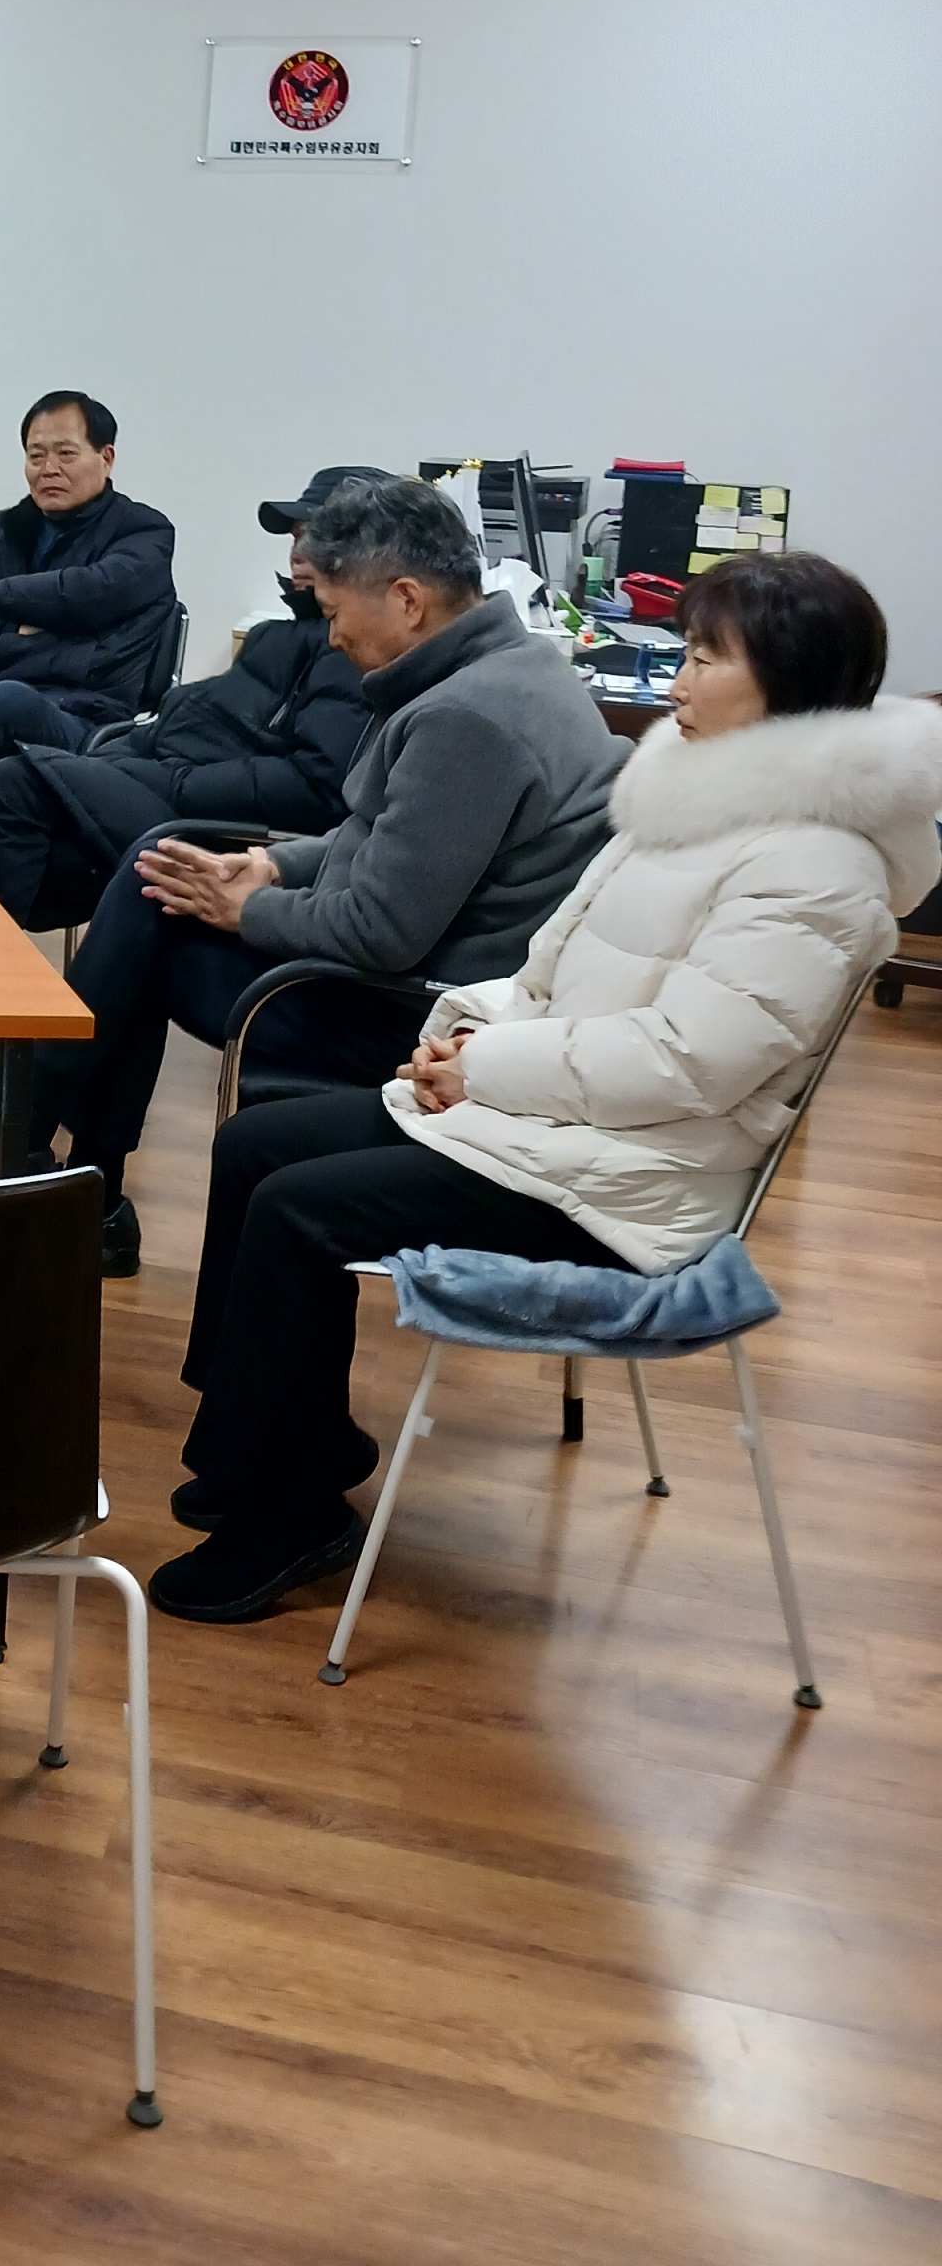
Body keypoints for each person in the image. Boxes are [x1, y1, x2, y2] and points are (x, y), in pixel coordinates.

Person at [151, 550, 942, 1626]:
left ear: (791, 684)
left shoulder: (817, 869)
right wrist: (463, 1038)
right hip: (563, 1125)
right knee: (257, 1144)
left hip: (638, 1184)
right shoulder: (691, 802)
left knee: (299, 1208)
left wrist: (487, 1069)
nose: (677, 680)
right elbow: (546, 974)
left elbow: (687, 1062)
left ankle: (283, 1516)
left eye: (706, 659)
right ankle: (287, 1448)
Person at [32, 473, 621, 1279]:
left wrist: (247, 910)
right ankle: (62, 1171)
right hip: (423, 977)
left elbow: (379, 933)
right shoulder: (510, 666)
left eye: (337, 611)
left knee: (152, 900)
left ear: (407, 600)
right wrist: (269, 863)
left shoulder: (463, 719)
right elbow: (374, 832)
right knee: (163, 872)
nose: (332, 636)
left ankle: (31, 1143)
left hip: (411, 1012)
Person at [0, 464, 383, 932]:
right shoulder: (273, 634)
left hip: (207, 825)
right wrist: (124, 755)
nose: (299, 551)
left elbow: (315, 789)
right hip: (153, 773)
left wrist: (176, 778)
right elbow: (193, 720)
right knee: (3, 738)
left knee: (16, 778)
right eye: (297, 535)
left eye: (317, 538)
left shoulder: (353, 649)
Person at [0, 391, 177, 834]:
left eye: (65, 454)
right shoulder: (2, 528)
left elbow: (88, 594)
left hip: (82, 716)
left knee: (0, 704)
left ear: (106, 458)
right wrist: (13, 634)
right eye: (36, 455)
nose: (48, 469)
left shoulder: (144, 532)